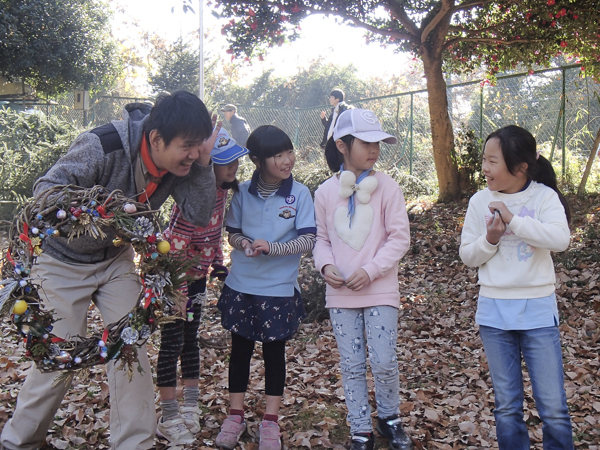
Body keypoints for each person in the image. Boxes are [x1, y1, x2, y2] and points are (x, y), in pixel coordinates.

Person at [0, 90, 220, 450]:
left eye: (200, 145)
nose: (194, 153)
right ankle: (19, 441)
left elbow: (197, 213)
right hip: (60, 260)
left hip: (114, 258)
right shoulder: (102, 145)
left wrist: (205, 163)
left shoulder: (180, 164)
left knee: (130, 342)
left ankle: (134, 443)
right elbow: (45, 192)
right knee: (59, 351)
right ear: (156, 139)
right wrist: (101, 210)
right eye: (189, 145)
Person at [459, 125, 573, 450]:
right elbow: (468, 255)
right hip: (494, 313)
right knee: (507, 407)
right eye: (485, 159)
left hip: (538, 310)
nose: (485, 168)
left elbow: (560, 239)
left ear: (520, 167)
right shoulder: (479, 201)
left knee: (552, 406)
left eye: (493, 161)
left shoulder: (543, 197)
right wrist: (491, 239)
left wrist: (513, 220)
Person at [313, 109, 413, 450]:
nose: (374, 150)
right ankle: (360, 428)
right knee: (352, 363)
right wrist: (326, 267)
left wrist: (370, 271)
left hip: (381, 289)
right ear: (342, 145)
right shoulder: (326, 192)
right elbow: (321, 239)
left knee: (383, 360)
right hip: (340, 295)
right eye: (366, 142)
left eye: (379, 143)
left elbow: (399, 238)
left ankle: (389, 418)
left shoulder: (387, 187)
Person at [214, 125, 316, 450]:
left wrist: (273, 247)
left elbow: (308, 239)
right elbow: (232, 232)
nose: (287, 160)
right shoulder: (242, 191)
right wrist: (244, 244)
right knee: (240, 352)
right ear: (257, 160)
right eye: (277, 155)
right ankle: (235, 415)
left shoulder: (299, 193)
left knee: (274, 355)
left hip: (279, 289)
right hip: (242, 285)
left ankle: (270, 422)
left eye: (289, 151)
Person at [156, 128, 249, 445]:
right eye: (227, 163)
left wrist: (219, 263)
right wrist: (178, 290)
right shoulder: (195, 198)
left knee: (190, 339)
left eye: (236, 161)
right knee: (171, 343)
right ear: (208, 166)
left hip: (195, 281)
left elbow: (213, 236)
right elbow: (178, 245)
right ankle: (168, 416)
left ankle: (191, 405)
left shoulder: (221, 193)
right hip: (174, 281)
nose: (233, 168)